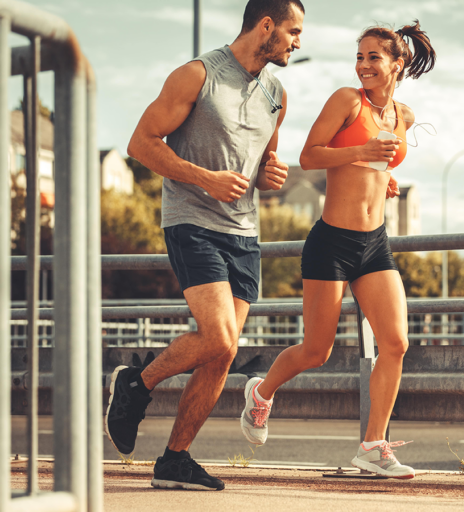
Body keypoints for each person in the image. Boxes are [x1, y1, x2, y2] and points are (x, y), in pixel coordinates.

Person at [104, 0, 304, 491]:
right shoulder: (198, 75)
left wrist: (270, 175)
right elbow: (142, 142)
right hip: (192, 221)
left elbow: (264, 163)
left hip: (243, 233)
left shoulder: (277, 93)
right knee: (218, 336)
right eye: (293, 31)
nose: (298, 42)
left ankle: (174, 459)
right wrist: (204, 178)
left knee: (222, 353)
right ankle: (136, 383)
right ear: (266, 26)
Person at [239, 20, 436, 479]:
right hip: (331, 242)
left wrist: (383, 177)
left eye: (374, 57)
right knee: (316, 350)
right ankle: (261, 393)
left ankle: (373, 446)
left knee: (396, 343)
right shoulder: (347, 101)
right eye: (360, 56)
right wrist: (362, 150)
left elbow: (376, 162)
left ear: (397, 63)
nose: (363, 65)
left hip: (375, 244)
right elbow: (309, 156)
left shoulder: (403, 116)